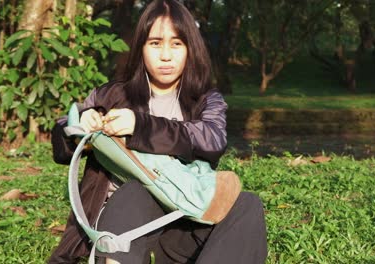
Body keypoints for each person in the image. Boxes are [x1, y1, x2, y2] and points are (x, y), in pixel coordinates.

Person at [48, 0, 267, 263]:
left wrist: (140, 127)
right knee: (134, 191)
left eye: (176, 44)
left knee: (247, 204)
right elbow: (61, 140)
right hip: (123, 229)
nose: (166, 55)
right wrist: (80, 127)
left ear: (190, 49)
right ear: (141, 48)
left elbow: (211, 140)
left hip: (180, 223)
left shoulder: (205, 100)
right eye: (155, 43)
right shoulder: (111, 95)